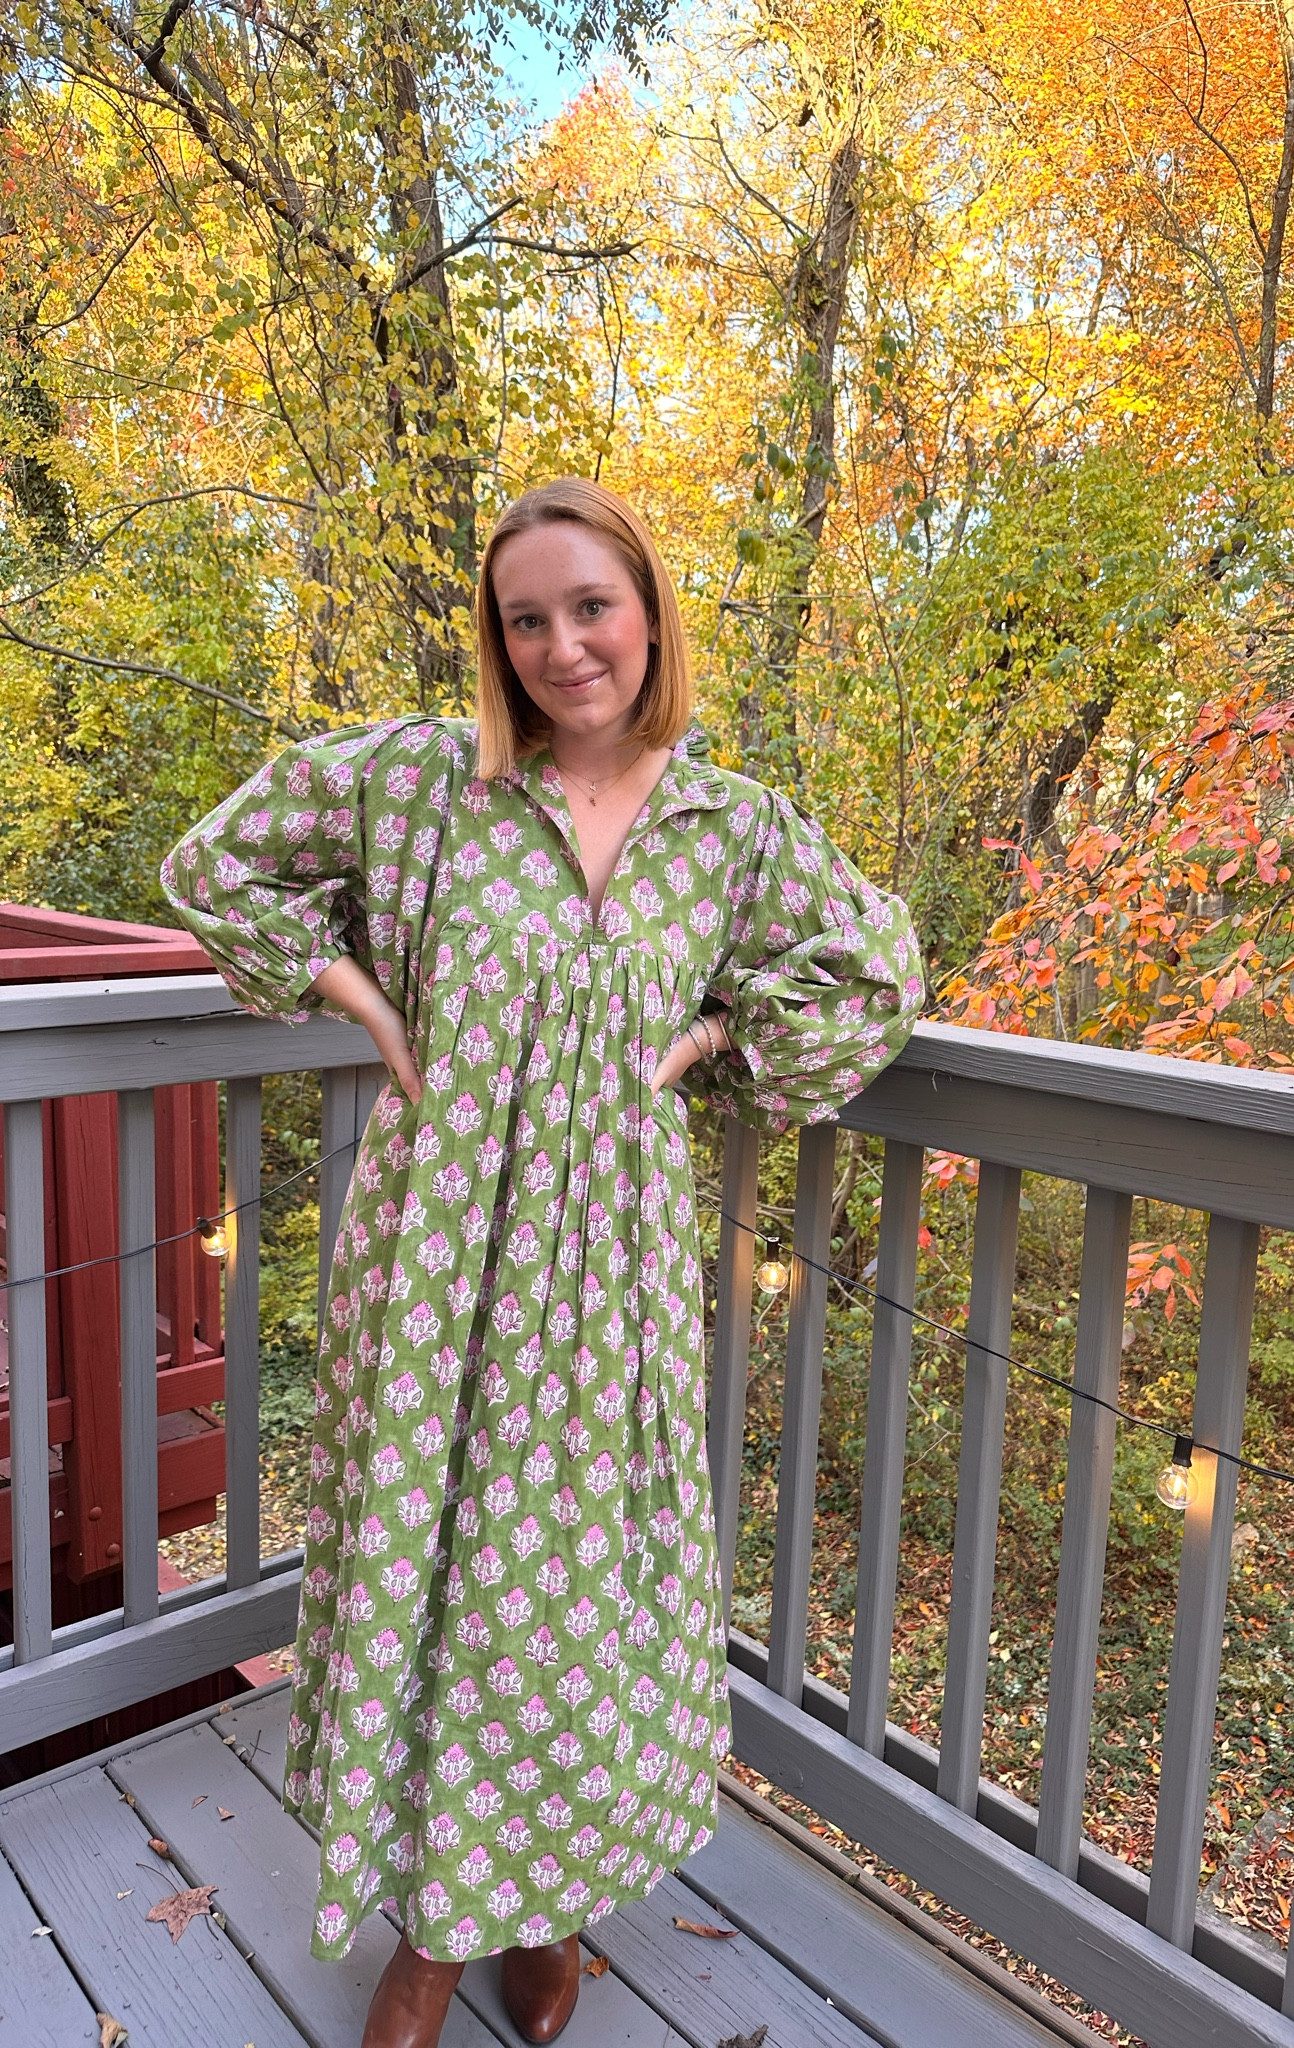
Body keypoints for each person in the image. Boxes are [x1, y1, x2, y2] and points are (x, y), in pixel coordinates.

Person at [163, 476, 924, 2048]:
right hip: (440, 1252)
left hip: (614, 1272)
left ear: (649, 614)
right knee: (430, 1566)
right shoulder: (428, 783)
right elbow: (216, 864)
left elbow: (871, 967)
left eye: (592, 607)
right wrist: (374, 1008)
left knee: (575, 1591)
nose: (564, 644)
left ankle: (551, 1900)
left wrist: (712, 1033)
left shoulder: (733, 826)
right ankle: (434, 1930)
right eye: (528, 618)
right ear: (497, 642)